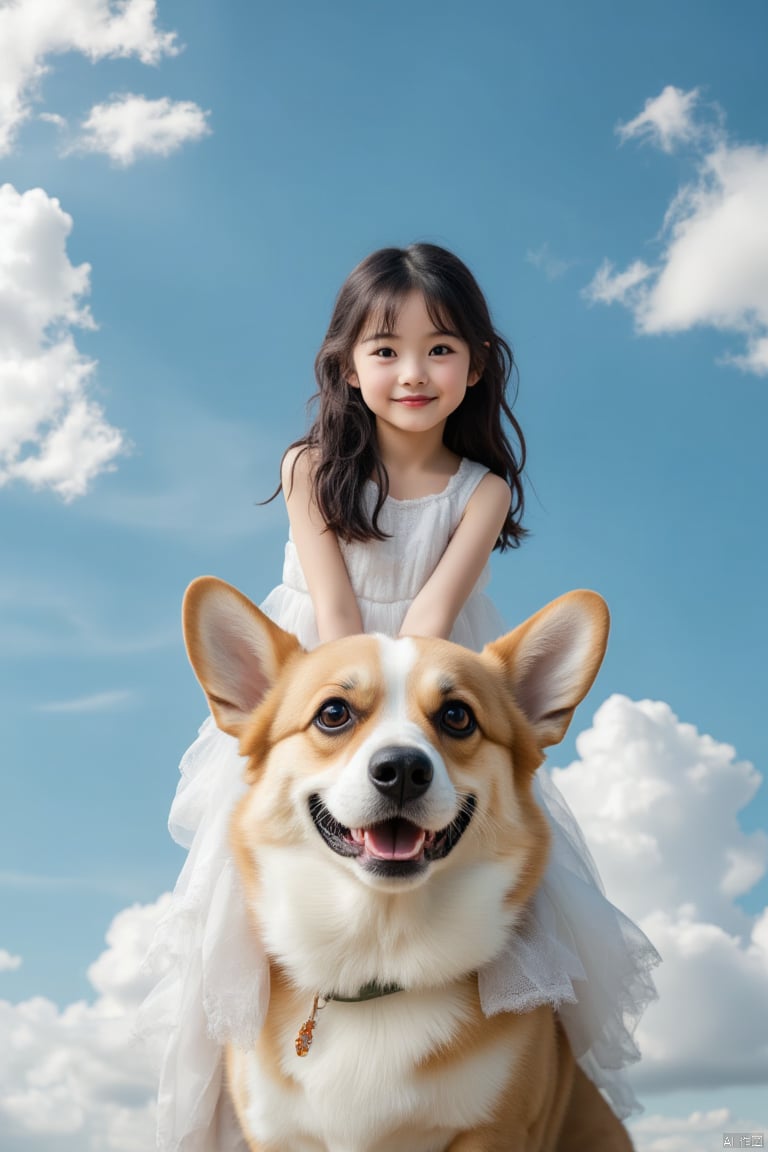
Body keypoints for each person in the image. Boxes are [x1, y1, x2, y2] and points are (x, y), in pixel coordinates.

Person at [139, 244, 659, 1151]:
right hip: (321, 672)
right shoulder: (309, 467)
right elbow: (336, 617)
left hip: (430, 666)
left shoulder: (482, 489)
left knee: (499, 900)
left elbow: (430, 616)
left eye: (440, 348)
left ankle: (500, 1087)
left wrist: (417, 700)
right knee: (245, 922)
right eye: (384, 350)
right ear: (345, 365)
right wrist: (340, 700)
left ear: (479, 365)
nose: (412, 372)